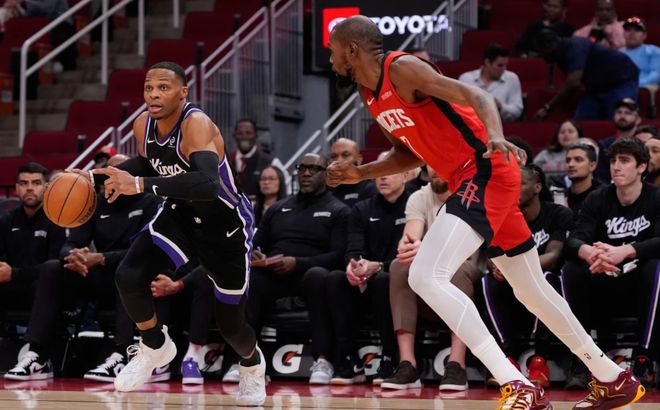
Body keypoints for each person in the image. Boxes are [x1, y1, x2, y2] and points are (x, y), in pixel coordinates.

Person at [326, 15, 644, 409]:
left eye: (333, 51)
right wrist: (361, 173)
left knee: (425, 275)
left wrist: (495, 135)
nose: (331, 59)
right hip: (471, 179)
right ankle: (612, 378)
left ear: (352, 50)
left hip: (484, 169)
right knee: (532, 291)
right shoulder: (368, 92)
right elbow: (407, 152)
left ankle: (517, 384)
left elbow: (478, 96)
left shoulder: (403, 69)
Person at [68, 62, 266, 406]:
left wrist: (139, 185)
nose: (154, 95)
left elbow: (207, 184)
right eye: (149, 88)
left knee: (231, 325)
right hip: (180, 214)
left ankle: (252, 365)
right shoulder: (143, 124)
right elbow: (150, 164)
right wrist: (96, 176)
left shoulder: (196, 124)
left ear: (183, 92)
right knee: (129, 275)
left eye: (163, 87)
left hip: (224, 225)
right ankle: (155, 346)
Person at [233, 153, 349, 386]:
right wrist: (255, 253)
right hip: (275, 273)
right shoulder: (278, 208)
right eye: (301, 168)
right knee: (250, 278)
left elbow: (339, 256)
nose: (306, 173)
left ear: (327, 174)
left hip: (310, 274)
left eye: (313, 169)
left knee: (318, 277)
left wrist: (298, 262)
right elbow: (256, 244)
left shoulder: (339, 210)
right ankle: (248, 360)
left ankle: (323, 360)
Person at [563, 137, 660, 389]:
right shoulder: (598, 198)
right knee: (572, 270)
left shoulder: (656, 197)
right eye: (613, 161)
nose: (616, 167)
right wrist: (591, 253)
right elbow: (573, 240)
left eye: (624, 161)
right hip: (604, 277)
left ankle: (644, 357)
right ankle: (581, 358)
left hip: (641, 284)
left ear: (641, 167)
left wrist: (625, 251)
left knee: (655, 267)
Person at [382, 166, 484, 392]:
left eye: (441, 163)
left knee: (455, 269)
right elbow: (408, 240)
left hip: (467, 268)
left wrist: (427, 249)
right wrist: (409, 247)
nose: (436, 168)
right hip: (429, 269)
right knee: (399, 266)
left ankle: (456, 364)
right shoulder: (419, 197)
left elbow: (464, 251)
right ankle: (407, 364)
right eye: (431, 163)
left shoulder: (470, 194)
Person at [482, 165, 573, 389]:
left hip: (542, 279)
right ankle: (507, 357)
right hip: (511, 281)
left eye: (520, 183)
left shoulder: (558, 214)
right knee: (487, 280)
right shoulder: (502, 215)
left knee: (548, 278)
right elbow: (491, 254)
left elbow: (553, 256)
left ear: (537, 187)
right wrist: (497, 266)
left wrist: (514, 267)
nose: (513, 188)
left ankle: (539, 362)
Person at [324, 152, 408, 386]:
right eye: (379, 172)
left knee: (384, 279)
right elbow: (353, 247)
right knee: (335, 279)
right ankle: (348, 358)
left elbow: (411, 255)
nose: (382, 177)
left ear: (405, 175)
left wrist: (379, 266)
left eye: (389, 171)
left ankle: (390, 357)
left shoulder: (413, 204)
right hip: (367, 278)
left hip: (399, 278)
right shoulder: (362, 208)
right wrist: (354, 266)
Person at [2, 163, 66, 380]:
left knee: (47, 279)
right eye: (24, 183)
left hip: (45, 292)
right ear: (16, 188)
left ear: (46, 187)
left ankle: (37, 357)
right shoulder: (6, 220)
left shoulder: (58, 220)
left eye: (36, 183)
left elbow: (56, 267)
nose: (29, 188)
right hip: (11, 289)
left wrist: (15, 274)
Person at [534, 30, 639, 121]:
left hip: (621, 81)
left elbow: (573, 83)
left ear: (548, 45)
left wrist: (548, 107)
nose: (542, 56)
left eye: (542, 52)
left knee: (620, 117)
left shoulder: (574, 46)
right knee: (580, 122)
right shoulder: (559, 55)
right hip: (595, 87)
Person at [458, 43, 523, 122]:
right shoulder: (466, 79)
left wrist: (501, 107)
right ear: (487, 62)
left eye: (505, 65)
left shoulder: (512, 78)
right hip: (471, 124)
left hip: (502, 126)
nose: (504, 69)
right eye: (500, 65)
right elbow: (458, 107)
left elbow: (517, 110)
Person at [228, 118, 288, 203]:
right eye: (240, 133)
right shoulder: (226, 160)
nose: (244, 137)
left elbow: (287, 187)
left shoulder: (271, 162)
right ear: (234, 136)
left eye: (248, 133)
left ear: (256, 135)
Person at [595, 98, 642, 183]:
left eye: (628, 113)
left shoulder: (643, 144)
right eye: (619, 112)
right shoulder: (604, 145)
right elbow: (601, 177)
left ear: (638, 119)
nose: (622, 116)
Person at [619, 16, 660, 107]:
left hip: (646, 85)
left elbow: (656, 75)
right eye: (628, 30)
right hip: (622, 87)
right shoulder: (617, 53)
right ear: (624, 34)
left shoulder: (654, 51)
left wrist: (636, 84)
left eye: (637, 30)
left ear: (644, 35)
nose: (632, 33)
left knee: (648, 90)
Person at [328, 138, 376, 207]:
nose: (338, 160)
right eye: (333, 156)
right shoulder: (326, 189)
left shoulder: (371, 187)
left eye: (345, 155)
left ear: (359, 160)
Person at [565, 143, 601, 214]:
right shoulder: (561, 196)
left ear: (592, 166)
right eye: (568, 160)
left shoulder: (604, 196)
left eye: (578, 160)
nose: (570, 164)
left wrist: (566, 214)